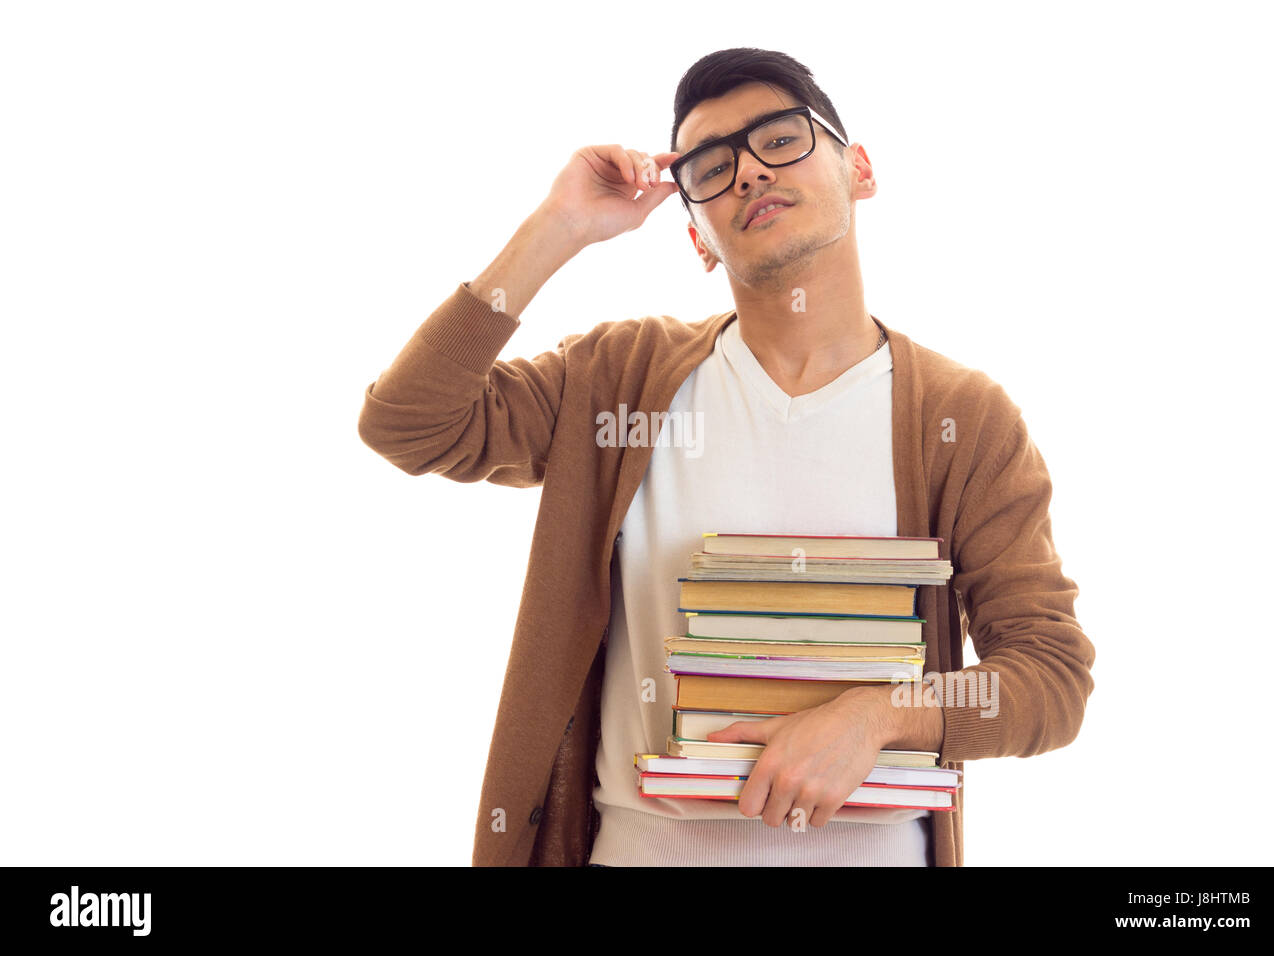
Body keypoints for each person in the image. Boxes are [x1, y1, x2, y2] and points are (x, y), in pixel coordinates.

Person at [357, 48, 1096, 866]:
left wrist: (880, 717)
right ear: (697, 239)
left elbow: (1051, 676)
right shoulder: (620, 381)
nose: (747, 171)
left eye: (779, 138)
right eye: (711, 165)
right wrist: (557, 227)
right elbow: (410, 422)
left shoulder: (961, 417)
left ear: (860, 169)